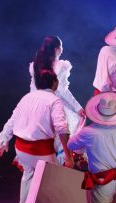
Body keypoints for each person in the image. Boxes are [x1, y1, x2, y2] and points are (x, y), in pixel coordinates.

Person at [0, 70, 73, 203]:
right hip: (40, 151)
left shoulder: (27, 97)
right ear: (54, 83)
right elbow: (62, 128)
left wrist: (3, 141)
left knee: (29, 174)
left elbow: (12, 121)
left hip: (21, 149)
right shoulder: (54, 100)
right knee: (50, 187)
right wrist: (68, 156)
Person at [30, 36, 85, 165]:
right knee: (64, 133)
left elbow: (32, 89)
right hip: (54, 106)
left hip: (37, 107)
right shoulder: (61, 66)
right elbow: (63, 91)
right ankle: (59, 168)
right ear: (57, 49)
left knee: (42, 142)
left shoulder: (35, 65)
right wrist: (78, 108)